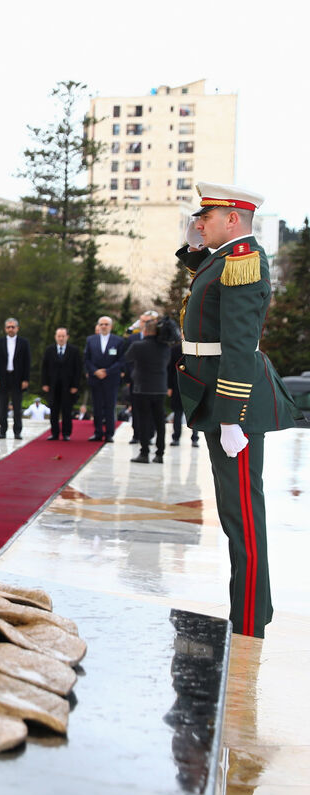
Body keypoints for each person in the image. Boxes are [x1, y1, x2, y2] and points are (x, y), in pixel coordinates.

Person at [176, 182, 300, 638]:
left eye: (205, 218)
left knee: (242, 514)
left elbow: (240, 344)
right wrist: (192, 248)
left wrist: (231, 415)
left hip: (235, 402)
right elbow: (211, 283)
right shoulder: (227, 258)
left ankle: (249, 620)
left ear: (232, 219)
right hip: (218, 398)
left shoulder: (246, 260)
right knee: (235, 511)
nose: (198, 223)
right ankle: (250, 612)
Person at [125, 315, 173, 463]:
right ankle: (160, 454)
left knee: (144, 421)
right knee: (160, 422)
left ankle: (144, 453)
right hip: (159, 388)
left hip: (142, 388)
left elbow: (127, 357)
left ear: (144, 332)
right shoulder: (165, 347)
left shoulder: (138, 346)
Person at [85, 315, 126, 443]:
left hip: (111, 379)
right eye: (101, 324)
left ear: (110, 326)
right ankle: (98, 432)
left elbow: (121, 360)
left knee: (109, 406)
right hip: (95, 378)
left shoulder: (118, 341)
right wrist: (95, 371)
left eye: (106, 324)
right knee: (96, 406)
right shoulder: (91, 340)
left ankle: (109, 434)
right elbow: (87, 359)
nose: (103, 326)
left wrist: (107, 371)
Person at [0, 317, 31, 439]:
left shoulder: (24, 343)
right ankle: (2, 430)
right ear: (5, 329)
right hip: (3, 377)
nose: (11, 329)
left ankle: (17, 431)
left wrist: (25, 379)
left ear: (17, 328)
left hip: (17, 377)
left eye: (13, 327)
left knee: (17, 406)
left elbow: (27, 362)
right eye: (8, 327)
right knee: (2, 406)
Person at [41, 326, 83, 441]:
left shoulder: (73, 350)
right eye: (59, 336)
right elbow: (44, 368)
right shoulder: (49, 350)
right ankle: (54, 433)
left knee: (66, 410)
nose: (61, 338)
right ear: (55, 337)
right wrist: (45, 383)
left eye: (63, 336)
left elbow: (78, 369)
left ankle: (66, 433)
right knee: (53, 410)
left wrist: (75, 385)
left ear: (67, 337)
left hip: (68, 386)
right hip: (53, 386)